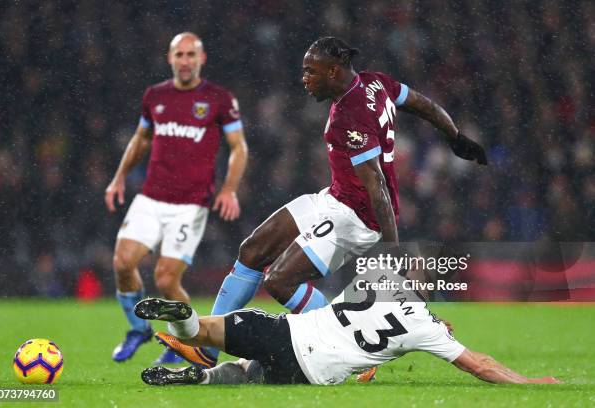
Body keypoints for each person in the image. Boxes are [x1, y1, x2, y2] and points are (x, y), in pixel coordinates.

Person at [178, 36, 487, 374]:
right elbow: (423, 104)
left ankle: (346, 342)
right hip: (336, 197)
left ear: (333, 70)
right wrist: (455, 136)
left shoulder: (349, 117)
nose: (304, 79)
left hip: (356, 216)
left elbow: (377, 186)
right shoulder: (375, 82)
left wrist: (392, 248)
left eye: (311, 72)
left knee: (280, 282)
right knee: (252, 250)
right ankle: (206, 350)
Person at [105, 32, 248, 363]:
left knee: (166, 279)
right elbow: (141, 139)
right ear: (170, 59)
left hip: (190, 205)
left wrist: (229, 188)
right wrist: (119, 177)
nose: (185, 61)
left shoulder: (218, 99)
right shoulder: (155, 96)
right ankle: (139, 328)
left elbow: (239, 146)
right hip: (151, 198)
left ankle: (186, 344)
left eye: (190, 55)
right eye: (179, 55)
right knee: (123, 262)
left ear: (202, 59)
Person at [133, 296, 560, 386]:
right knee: (252, 376)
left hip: (286, 330)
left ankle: (183, 315)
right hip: (311, 372)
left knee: (206, 329)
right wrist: (529, 384)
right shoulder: (425, 331)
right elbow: (480, 365)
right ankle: (200, 379)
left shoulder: (375, 283)